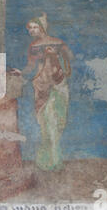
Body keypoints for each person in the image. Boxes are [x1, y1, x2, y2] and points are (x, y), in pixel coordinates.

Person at [12, 13, 73, 171]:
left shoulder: (58, 42)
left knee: (58, 121)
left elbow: (70, 57)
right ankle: (49, 160)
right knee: (46, 123)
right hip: (41, 85)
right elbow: (31, 67)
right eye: (30, 28)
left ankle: (54, 159)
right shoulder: (33, 47)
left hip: (58, 83)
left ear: (42, 27)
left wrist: (57, 53)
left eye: (34, 27)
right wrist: (21, 72)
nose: (31, 31)